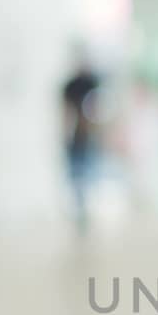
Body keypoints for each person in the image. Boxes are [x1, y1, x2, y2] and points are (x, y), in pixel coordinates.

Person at [61, 53, 101, 236]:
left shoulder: (92, 84)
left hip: (87, 139)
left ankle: (85, 210)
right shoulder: (70, 87)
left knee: (87, 176)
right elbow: (65, 114)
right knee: (76, 177)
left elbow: (96, 110)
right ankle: (79, 210)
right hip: (74, 139)